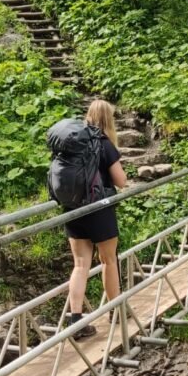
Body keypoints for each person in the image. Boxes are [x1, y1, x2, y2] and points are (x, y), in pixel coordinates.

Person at [65, 99, 127, 340]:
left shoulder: (72, 143)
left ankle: (76, 320)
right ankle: (115, 311)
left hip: (73, 208)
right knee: (108, 260)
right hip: (100, 207)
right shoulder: (103, 143)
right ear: (108, 119)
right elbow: (121, 181)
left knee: (81, 264)